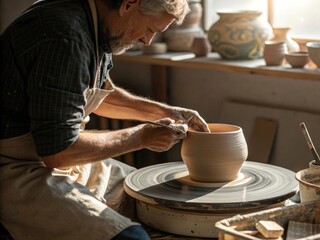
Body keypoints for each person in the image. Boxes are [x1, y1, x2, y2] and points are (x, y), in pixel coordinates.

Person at [0, 0, 210, 239]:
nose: (147, 41)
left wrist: (168, 112)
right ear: (129, 4)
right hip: (15, 169)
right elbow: (58, 151)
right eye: (150, 30)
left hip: (54, 158)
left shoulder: (96, 24)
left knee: (158, 200)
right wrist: (142, 136)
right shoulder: (66, 36)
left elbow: (98, 94)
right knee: (132, 237)